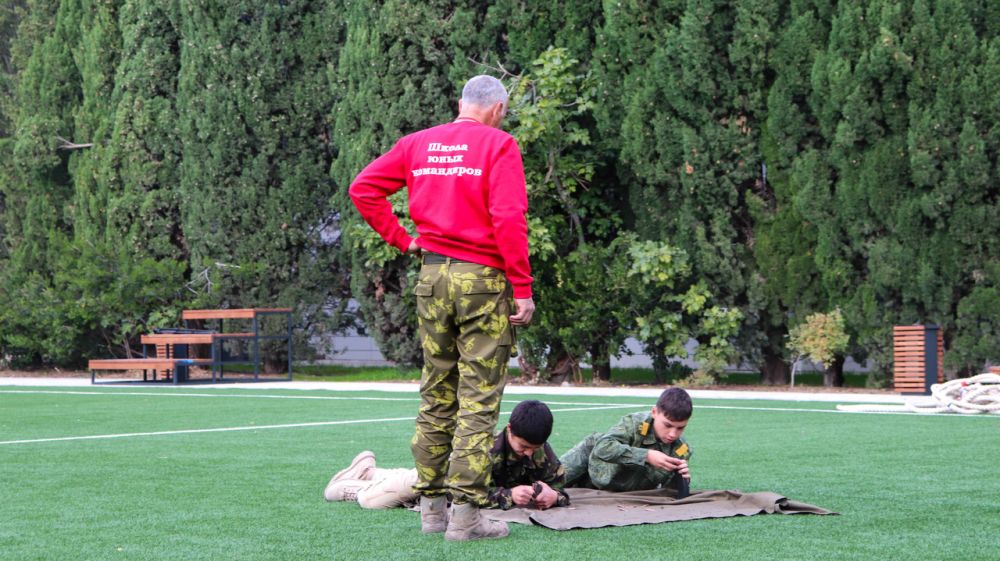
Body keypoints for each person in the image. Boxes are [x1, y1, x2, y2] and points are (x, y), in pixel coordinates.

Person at [349, 75, 533, 541]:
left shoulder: (418, 144)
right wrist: (523, 286)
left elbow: (363, 189)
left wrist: (402, 239)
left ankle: (433, 512)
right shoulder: (500, 144)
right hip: (482, 281)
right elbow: (508, 218)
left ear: (461, 104)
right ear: (499, 109)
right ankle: (467, 518)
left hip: (432, 278)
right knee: (478, 399)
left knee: (436, 395)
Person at [325, 400, 568, 511]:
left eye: (534, 448)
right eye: (523, 446)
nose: (528, 454)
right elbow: (462, 491)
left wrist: (554, 497)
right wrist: (509, 495)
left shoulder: (540, 451)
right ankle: (351, 486)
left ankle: (369, 471)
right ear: (509, 429)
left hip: (446, 478)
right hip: (441, 478)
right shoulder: (485, 449)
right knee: (370, 502)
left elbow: (561, 487)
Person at [559, 387, 693, 493]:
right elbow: (603, 447)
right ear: (654, 412)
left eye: (680, 428)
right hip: (589, 458)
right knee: (547, 484)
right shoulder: (634, 424)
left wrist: (681, 481)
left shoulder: (680, 450)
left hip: (611, 488)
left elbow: (668, 494)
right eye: (667, 425)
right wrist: (646, 456)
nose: (673, 434)